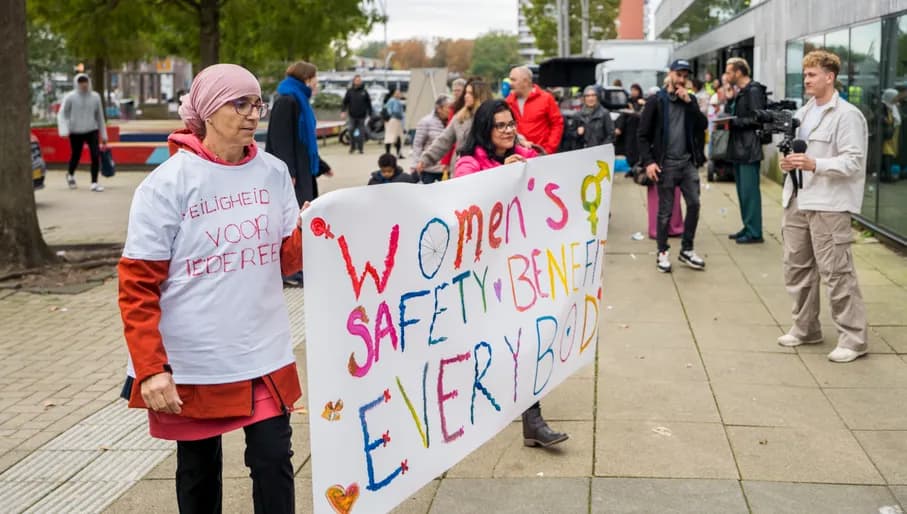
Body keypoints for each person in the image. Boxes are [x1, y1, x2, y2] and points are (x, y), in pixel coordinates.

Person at [118, 64, 304, 513]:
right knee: (198, 471)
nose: (251, 114)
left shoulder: (273, 173)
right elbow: (138, 284)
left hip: (263, 351)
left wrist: (318, 228)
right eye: (238, 103)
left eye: (256, 103)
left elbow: (286, 260)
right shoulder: (167, 183)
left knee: (273, 460)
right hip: (194, 360)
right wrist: (151, 368)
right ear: (206, 110)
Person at [453, 99, 567, 447]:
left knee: (529, 340)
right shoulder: (469, 163)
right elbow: (465, 202)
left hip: (521, 269)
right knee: (485, 345)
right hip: (485, 274)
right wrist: (503, 175)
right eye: (500, 125)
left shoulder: (526, 156)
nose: (508, 130)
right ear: (486, 130)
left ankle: (532, 420)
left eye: (511, 124)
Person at [779, 50, 869, 363]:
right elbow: (799, 156)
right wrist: (789, 164)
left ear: (829, 77)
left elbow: (854, 162)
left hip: (829, 205)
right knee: (797, 268)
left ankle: (853, 339)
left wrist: (814, 163)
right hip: (797, 199)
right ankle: (806, 328)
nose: (806, 80)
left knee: (837, 273)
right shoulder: (803, 113)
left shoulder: (847, 115)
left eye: (812, 75)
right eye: (805, 75)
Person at [267, 60, 333, 287]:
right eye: (315, 79)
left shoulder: (299, 100)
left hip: (302, 171)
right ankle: (290, 271)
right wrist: (289, 172)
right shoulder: (287, 101)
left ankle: (300, 266)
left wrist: (321, 166)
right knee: (293, 219)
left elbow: (306, 143)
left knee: (304, 215)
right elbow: (281, 139)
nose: (316, 84)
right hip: (292, 174)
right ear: (306, 78)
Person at [638, 59, 708, 273]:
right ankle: (662, 252)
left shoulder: (690, 100)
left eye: (685, 76)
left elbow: (702, 126)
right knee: (665, 212)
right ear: (670, 75)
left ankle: (687, 249)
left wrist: (690, 104)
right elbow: (642, 135)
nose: (682, 79)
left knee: (694, 204)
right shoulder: (656, 101)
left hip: (687, 163)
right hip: (665, 164)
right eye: (679, 74)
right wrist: (649, 162)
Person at [724, 57, 767, 244]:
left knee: (750, 192)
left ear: (739, 72)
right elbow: (732, 113)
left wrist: (735, 122)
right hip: (739, 147)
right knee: (743, 192)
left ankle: (755, 232)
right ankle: (748, 226)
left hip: (749, 148)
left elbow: (759, 118)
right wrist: (729, 100)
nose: (726, 76)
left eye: (729, 71)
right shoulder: (741, 92)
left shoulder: (754, 90)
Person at [416, 78, 494, 175]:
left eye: (470, 93)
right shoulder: (459, 118)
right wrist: (426, 159)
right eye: (465, 92)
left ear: (479, 95)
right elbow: (444, 140)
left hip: (486, 170)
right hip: (461, 170)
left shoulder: (493, 117)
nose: (466, 96)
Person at [60, 73, 108, 192]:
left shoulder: (95, 97)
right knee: (76, 155)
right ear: (77, 83)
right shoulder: (70, 97)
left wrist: (104, 135)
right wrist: (65, 130)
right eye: (81, 82)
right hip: (76, 131)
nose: (83, 84)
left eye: (85, 81)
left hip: (91, 130)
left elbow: (100, 117)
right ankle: (70, 174)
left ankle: (94, 182)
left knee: (95, 155)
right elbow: (64, 114)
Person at [505, 66, 564, 155]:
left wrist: (548, 150)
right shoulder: (508, 102)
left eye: (513, 80)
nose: (510, 83)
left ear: (525, 81)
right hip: (517, 156)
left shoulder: (546, 98)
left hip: (542, 155)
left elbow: (557, 125)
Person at [411, 95, 451, 183]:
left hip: (446, 170)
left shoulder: (453, 121)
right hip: (428, 170)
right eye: (448, 108)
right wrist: (415, 164)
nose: (450, 110)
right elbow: (417, 144)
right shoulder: (426, 122)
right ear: (439, 109)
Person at [341, 74, 372, 154]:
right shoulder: (350, 91)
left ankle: (360, 148)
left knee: (361, 133)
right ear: (354, 81)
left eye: (359, 80)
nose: (358, 81)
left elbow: (369, 103)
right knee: (351, 130)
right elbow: (345, 102)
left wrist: (370, 113)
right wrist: (343, 111)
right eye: (356, 80)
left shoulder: (364, 92)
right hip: (352, 115)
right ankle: (352, 147)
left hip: (362, 116)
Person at [881, 88, 901, 182]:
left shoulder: (892, 107)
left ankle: (887, 174)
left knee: (889, 154)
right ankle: (887, 175)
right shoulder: (883, 107)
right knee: (887, 154)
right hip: (886, 136)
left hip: (892, 135)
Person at [383, 88, 405, 158]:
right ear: (393, 94)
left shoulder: (391, 100)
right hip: (394, 120)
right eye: (397, 92)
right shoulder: (394, 101)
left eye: (399, 92)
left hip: (392, 120)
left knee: (396, 137)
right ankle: (392, 153)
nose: (399, 94)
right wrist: (401, 116)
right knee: (393, 137)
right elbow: (395, 111)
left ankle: (390, 153)